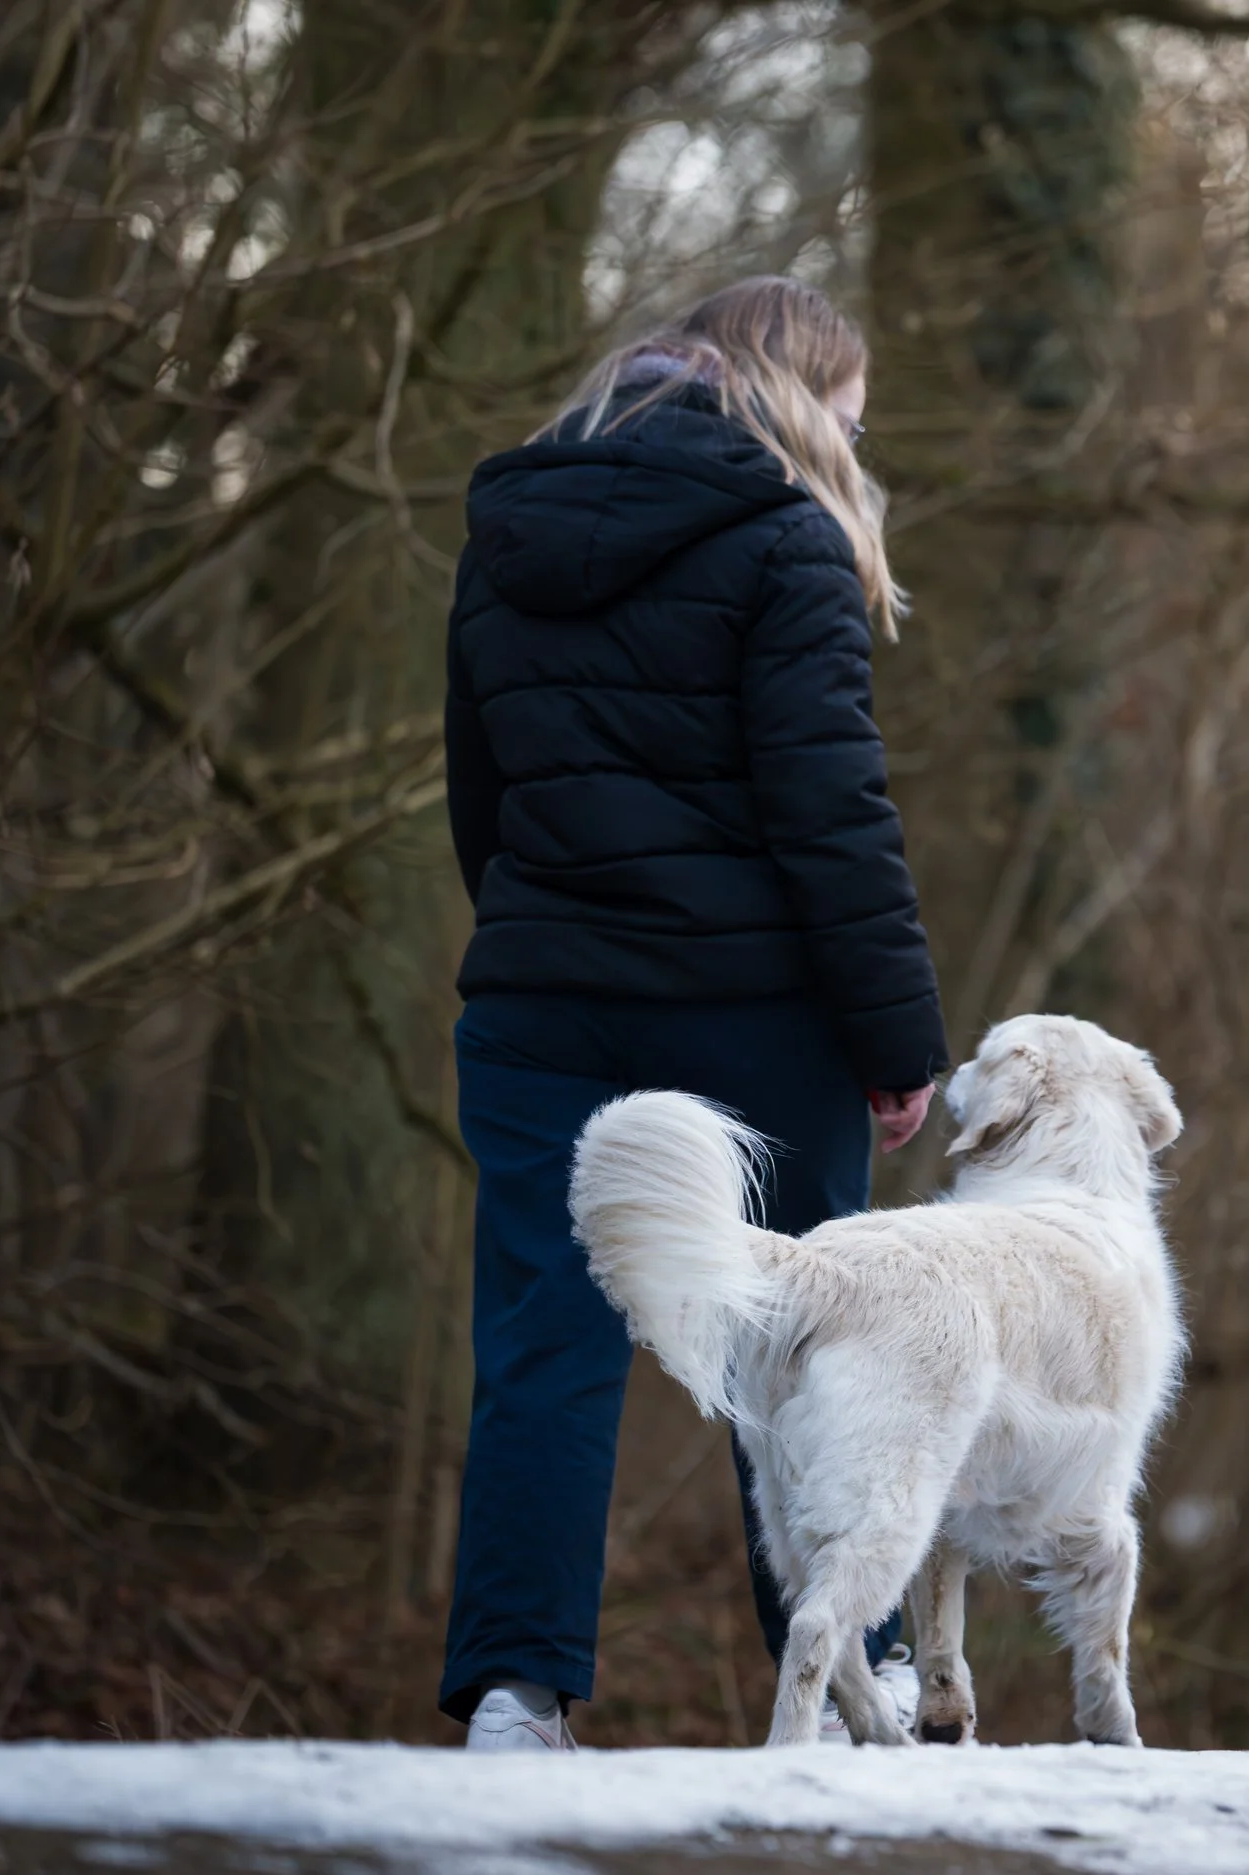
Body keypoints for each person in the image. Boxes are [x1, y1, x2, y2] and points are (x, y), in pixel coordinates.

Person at [435, 277, 949, 1750]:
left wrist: (556, 944)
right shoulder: (788, 543)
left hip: (545, 1006)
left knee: (548, 1338)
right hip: (756, 1018)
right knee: (810, 1347)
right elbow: (831, 817)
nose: (857, 451)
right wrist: (896, 1039)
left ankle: (515, 1699)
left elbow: (486, 803)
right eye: (850, 420)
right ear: (792, 399)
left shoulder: (507, 535)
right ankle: (867, 1690)